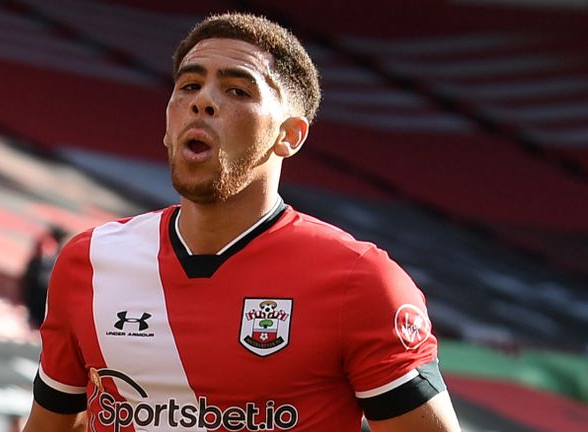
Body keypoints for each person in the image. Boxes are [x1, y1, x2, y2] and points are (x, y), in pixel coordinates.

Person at [23, 13, 461, 432]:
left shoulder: (359, 280)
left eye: (237, 90)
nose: (203, 101)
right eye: (189, 85)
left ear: (289, 136)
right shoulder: (89, 263)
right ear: (167, 124)